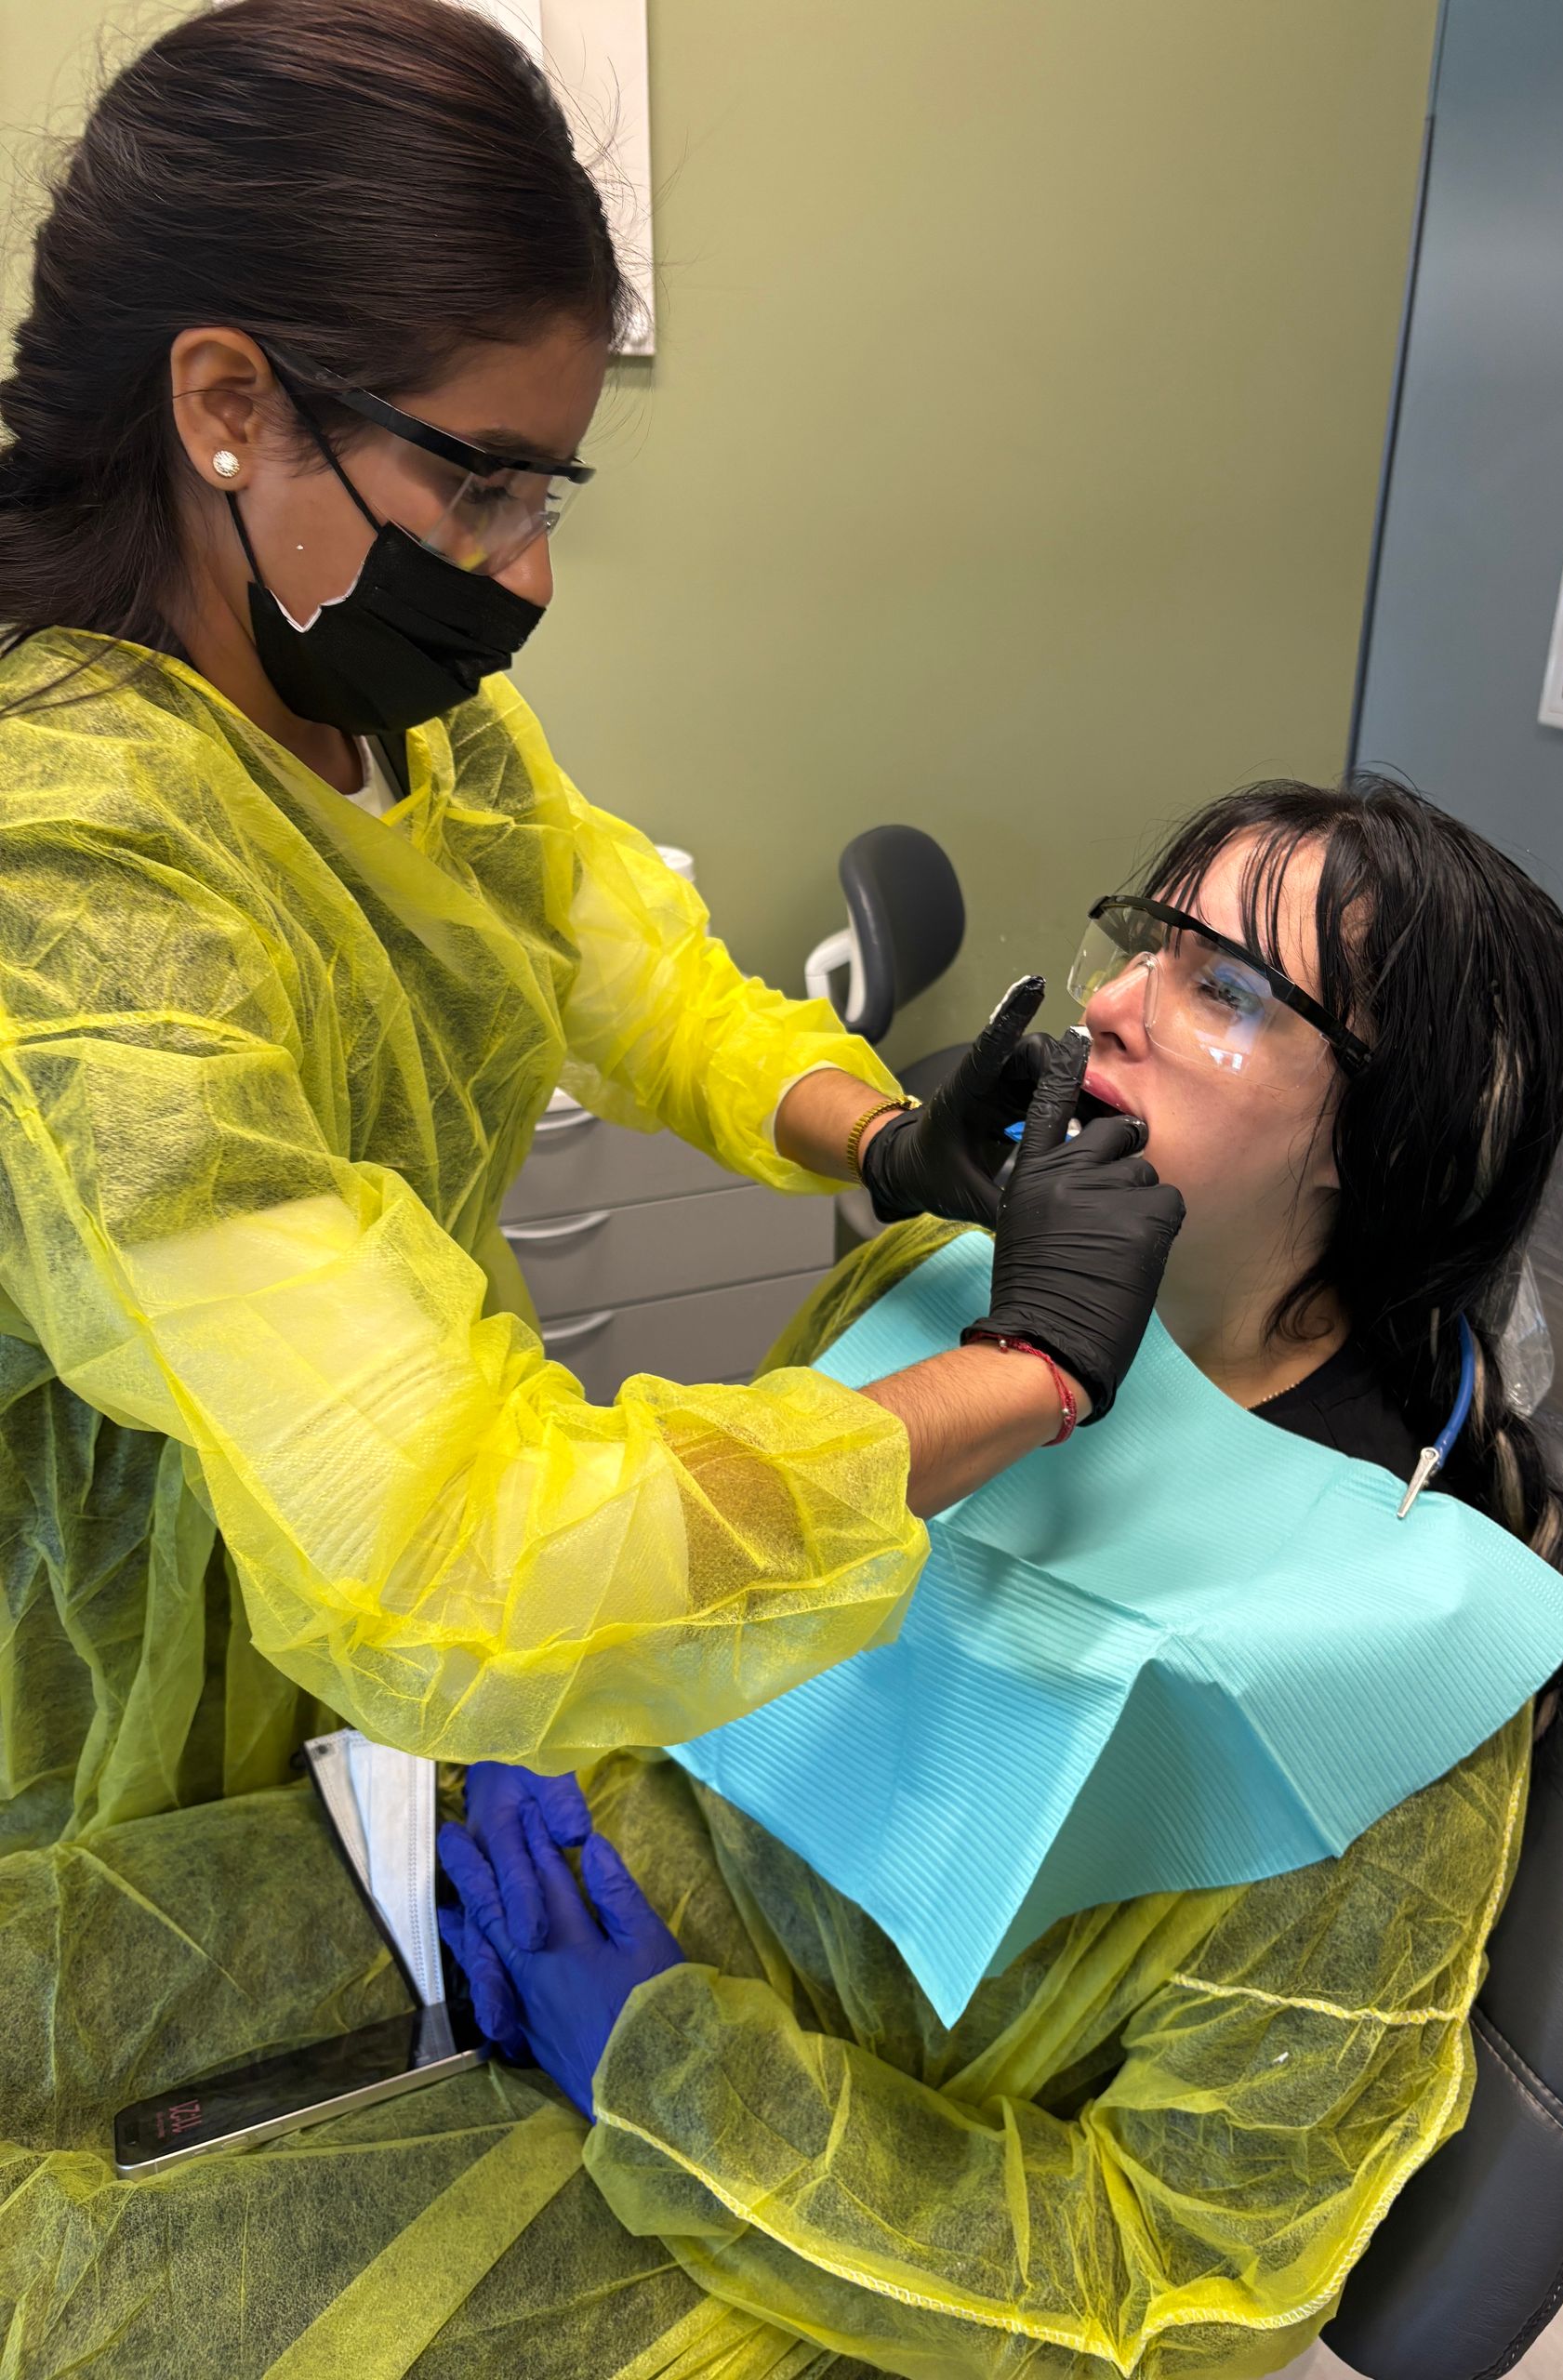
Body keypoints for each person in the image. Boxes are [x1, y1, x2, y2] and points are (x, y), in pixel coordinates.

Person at [0, 0, 1185, 1861]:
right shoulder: (73, 876)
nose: (528, 570)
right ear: (226, 406)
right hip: (113, 1690)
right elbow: (451, 1545)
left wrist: (880, 1135)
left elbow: (637, 980)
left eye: (545, 490)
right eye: (476, 480)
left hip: (346, 1673)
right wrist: (1024, 1372)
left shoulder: (414, 725)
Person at [435, 776, 1563, 2380]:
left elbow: (1183, 2273)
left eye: (1225, 989)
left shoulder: (1391, 1652)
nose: (1109, 1005)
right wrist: (541, 1753)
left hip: (825, 2260)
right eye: (1146, 944)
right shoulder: (929, 1287)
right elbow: (688, 1596)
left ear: (1388, 1134)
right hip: (530, 1938)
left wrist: (681, 2077)